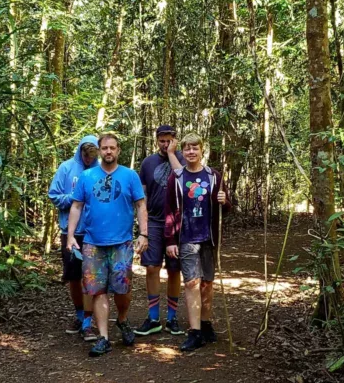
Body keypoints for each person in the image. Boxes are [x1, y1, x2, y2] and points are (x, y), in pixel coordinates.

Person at [67, 133, 149, 357]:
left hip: (122, 242)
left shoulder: (130, 176)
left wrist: (143, 234)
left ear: (118, 150)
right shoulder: (87, 176)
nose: (108, 152)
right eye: (104, 148)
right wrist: (71, 236)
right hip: (93, 243)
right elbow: (76, 206)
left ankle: (122, 319)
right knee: (98, 290)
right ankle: (103, 337)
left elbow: (141, 205)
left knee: (123, 290)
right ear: (99, 150)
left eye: (112, 148)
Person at [164, 133, 232, 352]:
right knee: (191, 283)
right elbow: (170, 211)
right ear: (182, 152)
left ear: (202, 150)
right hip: (186, 237)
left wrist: (226, 201)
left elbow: (226, 209)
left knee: (207, 283)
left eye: (195, 148)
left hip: (209, 238)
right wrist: (170, 240)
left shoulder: (214, 176)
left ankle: (205, 324)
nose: (191, 152)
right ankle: (194, 332)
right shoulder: (177, 177)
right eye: (187, 149)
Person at [135, 125, 185, 336]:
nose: (165, 145)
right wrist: (142, 229)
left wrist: (173, 154)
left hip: (177, 222)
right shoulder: (147, 163)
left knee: (174, 269)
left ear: (175, 140)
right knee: (152, 267)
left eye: (169, 140)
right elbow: (142, 197)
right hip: (154, 221)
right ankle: (153, 317)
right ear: (157, 140)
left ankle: (172, 318)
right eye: (162, 141)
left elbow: (183, 179)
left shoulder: (183, 159)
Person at [48, 135, 100, 340]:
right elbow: (54, 195)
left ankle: (89, 321)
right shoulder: (66, 168)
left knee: (92, 277)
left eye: (92, 158)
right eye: (86, 157)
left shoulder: (100, 171)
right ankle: (79, 315)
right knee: (74, 277)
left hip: (93, 232)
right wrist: (74, 198)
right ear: (81, 152)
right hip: (69, 232)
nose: (89, 161)